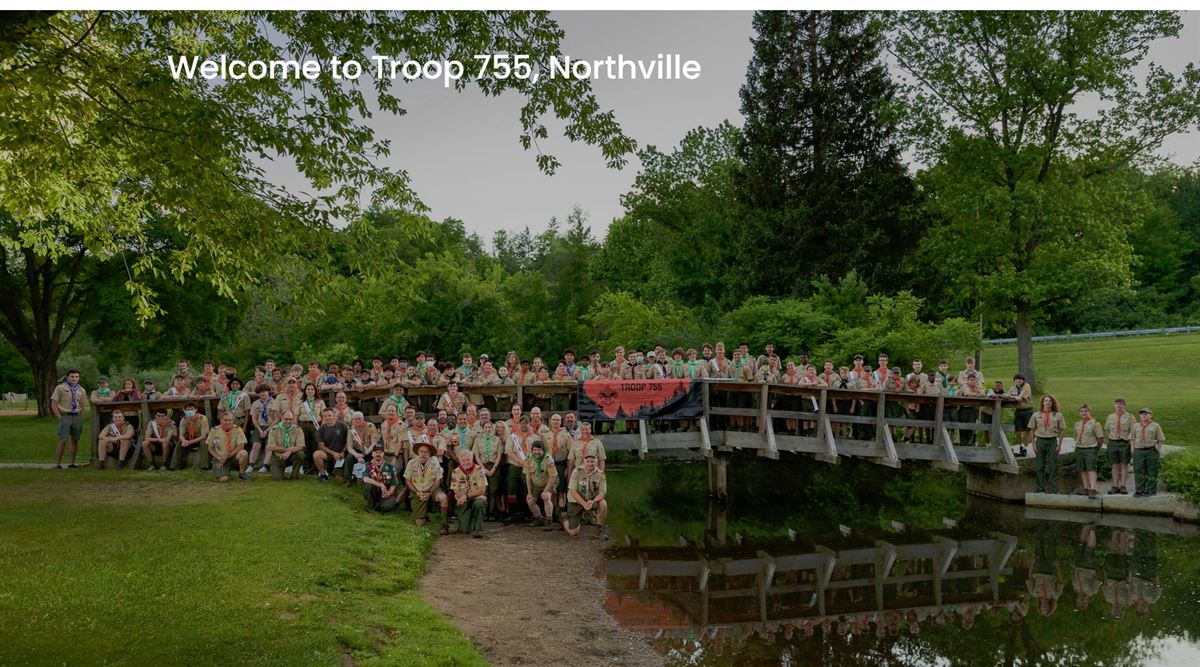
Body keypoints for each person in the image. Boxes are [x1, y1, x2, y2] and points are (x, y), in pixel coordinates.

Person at [405, 441, 449, 533]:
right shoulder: (411, 463)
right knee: (419, 523)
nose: (423, 454)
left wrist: (430, 492)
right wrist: (417, 492)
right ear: (418, 452)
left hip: (431, 489)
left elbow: (438, 480)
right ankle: (424, 515)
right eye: (421, 451)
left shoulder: (434, 463)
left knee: (443, 498)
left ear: (430, 454)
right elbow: (408, 480)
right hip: (417, 491)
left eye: (426, 452)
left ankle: (445, 524)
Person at [1027, 395, 1066, 494]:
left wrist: (1059, 444)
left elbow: (1062, 430)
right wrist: (1033, 444)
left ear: (1052, 403)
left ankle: (1054, 489)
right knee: (1040, 466)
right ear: (1042, 403)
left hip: (1052, 441)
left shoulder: (1058, 415)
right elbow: (1032, 429)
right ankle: (1040, 488)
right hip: (1040, 441)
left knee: (1053, 465)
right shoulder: (1036, 415)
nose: (1048, 402)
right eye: (1046, 400)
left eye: (1050, 401)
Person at [504, 416, 539, 523]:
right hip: (515, 465)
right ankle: (513, 513)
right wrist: (519, 461)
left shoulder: (535, 437)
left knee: (527, 490)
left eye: (526, 423)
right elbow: (509, 451)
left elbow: (538, 452)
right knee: (512, 489)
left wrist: (528, 463)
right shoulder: (513, 437)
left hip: (530, 466)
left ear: (530, 424)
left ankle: (528, 513)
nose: (524, 425)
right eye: (522, 423)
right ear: (519, 424)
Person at [51, 369, 88, 469]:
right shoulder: (60, 388)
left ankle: (72, 463)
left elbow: (82, 405)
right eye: (72, 376)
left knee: (75, 440)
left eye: (76, 377)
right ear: (67, 377)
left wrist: (82, 417)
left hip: (77, 416)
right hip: (65, 415)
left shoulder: (81, 390)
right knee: (63, 439)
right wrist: (59, 416)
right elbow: (54, 403)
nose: (74, 379)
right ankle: (57, 464)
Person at [564, 453, 607, 538]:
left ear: (596, 462)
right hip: (576, 500)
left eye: (592, 461)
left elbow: (602, 493)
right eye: (588, 461)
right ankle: (564, 519)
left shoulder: (601, 474)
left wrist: (593, 501)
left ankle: (599, 528)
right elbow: (573, 491)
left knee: (603, 503)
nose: (590, 463)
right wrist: (584, 504)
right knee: (573, 532)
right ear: (584, 461)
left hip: (591, 500)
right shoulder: (576, 471)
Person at [471, 419, 504, 520]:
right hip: (482, 465)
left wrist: (494, 468)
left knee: (494, 490)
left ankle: (492, 512)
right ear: (483, 429)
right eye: (486, 427)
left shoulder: (497, 439)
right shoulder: (478, 439)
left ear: (492, 428)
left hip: (494, 466)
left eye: (489, 427)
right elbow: (476, 455)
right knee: (484, 489)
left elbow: (499, 455)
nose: (488, 429)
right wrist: (483, 468)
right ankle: (484, 513)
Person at [1131, 408, 1166, 497]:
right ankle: (1139, 490)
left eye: (1146, 414)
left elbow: (1160, 440)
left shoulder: (1155, 426)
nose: (1144, 415)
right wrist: (1133, 451)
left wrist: (1158, 451)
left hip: (1151, 450)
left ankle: (1151, 490)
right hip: (1138, 450)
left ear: (1150, 415)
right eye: (1142, 414)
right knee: (1139, 471)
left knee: (1152, 471)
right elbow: (1132, 439)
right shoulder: (1136, 426)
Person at [524, 441, 558, 530]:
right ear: (532, 450)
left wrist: (546, 490)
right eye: (535, 450)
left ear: (543, 450)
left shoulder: (548, 459)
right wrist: (529, 492)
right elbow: (528, 476)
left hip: (548, 482)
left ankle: (549, 520)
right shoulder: (529, 458)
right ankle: (539, 518)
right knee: (530, 501)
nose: (537, 452)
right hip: (536, 483)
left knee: (546, 498)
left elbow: (553, 476)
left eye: (539, 450)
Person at [208, 412, 250, 482]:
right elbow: (210, 448)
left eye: (230, 420)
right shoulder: (214, 430)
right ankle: (224, 472)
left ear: (232, 421)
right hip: (220, 458)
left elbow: (241, 445)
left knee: (243, 453)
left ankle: (242, 473)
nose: (228, 422)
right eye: (226, 420)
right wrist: (219, 458)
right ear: (221, 421)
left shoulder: (237, 429)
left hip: (233, 457)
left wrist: (228, 456)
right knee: (224, 479)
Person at [1105, 397, 1135, 495]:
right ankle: (1115, 486)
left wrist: (1131, 445)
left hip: (1124, 442)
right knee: (1114, 465)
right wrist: (1108, 443)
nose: (1119, 406)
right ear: (1114, 405)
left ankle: (1123, 485)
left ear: (1124, 405)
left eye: (1121, 404)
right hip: (1113, 442)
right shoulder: (1110, 417)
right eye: (1117, 404)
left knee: (1124, 465)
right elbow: (1108, 430)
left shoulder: (1130, 417)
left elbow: (1133, 432)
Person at [1074, 404, 1104, 497]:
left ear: (1090, 412)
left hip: (1090, 448)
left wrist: (1097, 447)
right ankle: (1086, 487)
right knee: (1082, 469)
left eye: (1086, 411)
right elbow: (1076, 435)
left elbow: (1100, 438)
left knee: (1091, 468)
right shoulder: (1077, 424)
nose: (1084, 413)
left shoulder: (1095, 424)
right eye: (1082, 411)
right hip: (1080, 448)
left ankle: (1092, 488)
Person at [267, 410, 307, 480]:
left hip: (291, 456)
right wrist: (286, 450)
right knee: (277, 479)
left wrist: (289, 452)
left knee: (300, 454)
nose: (288, 421)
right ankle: (280, 471)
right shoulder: (274, 429)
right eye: (286, 419)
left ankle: (295, 475)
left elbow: (300, 446)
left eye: (290, 419)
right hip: (278, 456)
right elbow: (271, 447)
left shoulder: (298, 429)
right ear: (282, 418)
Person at [362, 444, 402, 513]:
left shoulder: (390, 467)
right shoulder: (367, 465)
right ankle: (371, 508)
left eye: (380, 452)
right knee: (369, 487)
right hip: (372, 491)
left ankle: (379, 506)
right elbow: (365, 479)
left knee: (388, 506)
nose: (378, 454)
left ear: (383, 454)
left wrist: (389, 493)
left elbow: (393, 483)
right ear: (372, 454)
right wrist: (380, 485)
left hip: (384, 493)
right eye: (376, 452)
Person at [314, 407, 350, 483]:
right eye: (325, 416)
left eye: (329, 415)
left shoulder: (342, 425)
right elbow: (321, 446)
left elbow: (349, 441)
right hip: (330, 454)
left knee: (339, 480)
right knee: (317, 454)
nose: (328, 418)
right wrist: (333, 453)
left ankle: (345, 474)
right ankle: (323, 475)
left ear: (334, 415)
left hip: (342, 454)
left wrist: (343, 451)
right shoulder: (321, 429)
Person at [172, 401, 210, 470]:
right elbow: (181, 435)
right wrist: (184, 441)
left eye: (192, 409)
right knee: (179, 443)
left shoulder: (203, 418)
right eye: (188, 410)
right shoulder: (183, 420)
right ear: (184, 410)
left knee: (204, 442)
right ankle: (174, 465)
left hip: (199, 438)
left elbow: (203, 436)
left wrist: (190, 442)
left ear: (196, 410)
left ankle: (205, 465)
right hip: (188, 438)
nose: (190, 411)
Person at [345, 411, 378, 485]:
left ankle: (367, 481)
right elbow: (349, 447)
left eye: (360, 418)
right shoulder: (351, 430)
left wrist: (364, 454)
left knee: (369, 462)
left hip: (369, 451)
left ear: (363, 418)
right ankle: (347, 480)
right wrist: (356, 455)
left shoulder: (370, 426)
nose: (358, 420)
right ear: (352, 420)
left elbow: (373, 443)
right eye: (355, 419)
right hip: (357, 452)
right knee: (349, 458)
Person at [248, 386, 273, 473]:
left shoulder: (274, 402)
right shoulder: (255, 404)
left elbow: (277, 418)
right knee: (256, 445)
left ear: (268, 391)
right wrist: (260, 430)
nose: (262, 393)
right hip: (259, 427)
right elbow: (254, 419)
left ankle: (265, 466)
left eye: (264, 391)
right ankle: (251, 465)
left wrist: (267, 430)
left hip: (271, 427)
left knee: (268, 447)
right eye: (260, 392)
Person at [1009, 374, 1033, 455]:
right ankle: (1021, 446)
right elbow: (1008, 396)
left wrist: (1013, 397)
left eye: (1020, 379)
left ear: (1023, 380)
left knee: (1028, 429)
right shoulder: (1013, 387)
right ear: (1014, 380)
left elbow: (1020, 397)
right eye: (1016, 379)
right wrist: (1012, 396)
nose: (1018, 381)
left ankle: (1025, 447)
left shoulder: (1026, 386)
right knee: (1017, 430)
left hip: (1027, 410)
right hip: (1018, 411)